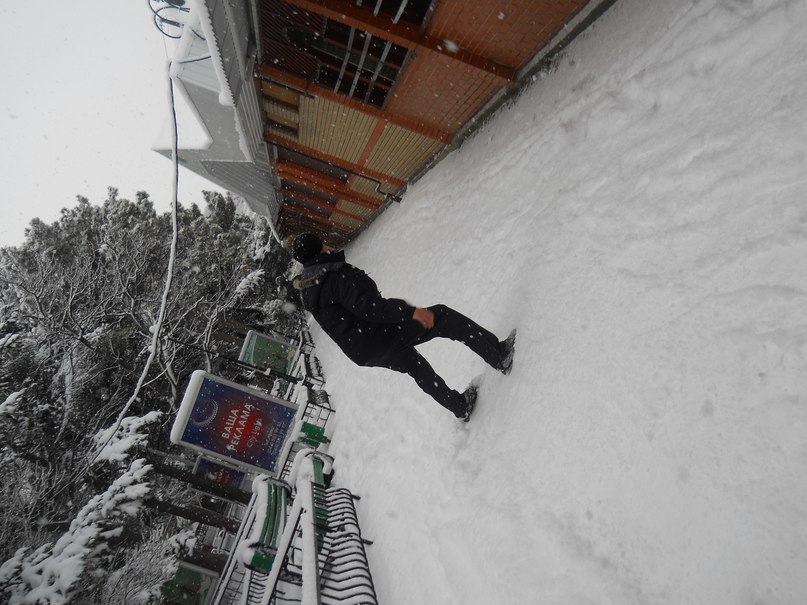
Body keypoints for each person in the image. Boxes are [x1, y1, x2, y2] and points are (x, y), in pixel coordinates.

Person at [290, 233, 516, 421]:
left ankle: (460, 406)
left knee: (414, 365)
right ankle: (498, 355)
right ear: (320, 250)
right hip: (376, 334)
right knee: (443, 318)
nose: (327, 245)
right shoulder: (332, 277)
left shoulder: (310, 288)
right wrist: (411, 312)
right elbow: (371, 308)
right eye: (322, 243)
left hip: (363, 350)